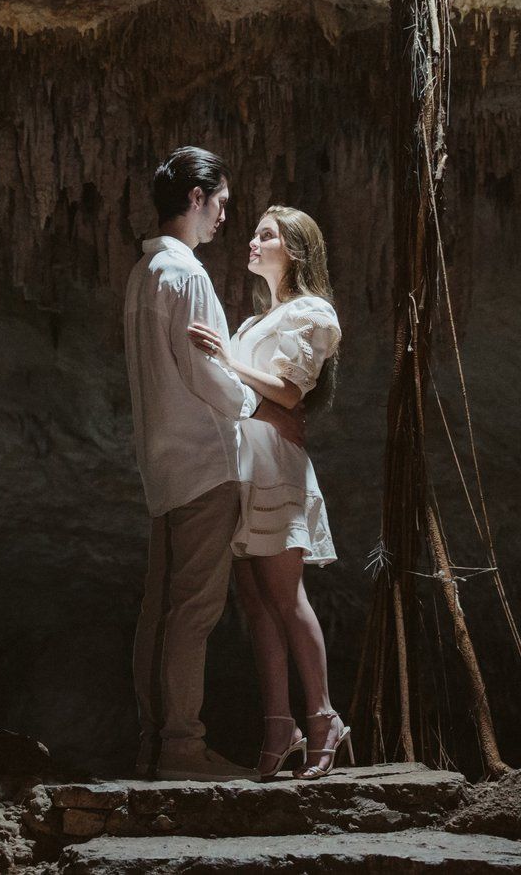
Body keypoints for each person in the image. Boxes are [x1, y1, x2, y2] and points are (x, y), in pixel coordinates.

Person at [123, 147, 302, 782]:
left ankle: (153, 741)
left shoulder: (144, 275)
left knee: (161, 608)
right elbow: (210, 375)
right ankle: (181, 747)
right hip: (202, 461)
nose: (226, 216)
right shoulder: (188, 275)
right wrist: (250, 394)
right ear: (196, 199)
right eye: (222, 203)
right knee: (195, 610)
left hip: (164, 464)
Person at [185, 206, 348, 780]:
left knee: (285, 597)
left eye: (267, 235)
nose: (251, 241)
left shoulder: (311, 313)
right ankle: (279, 724)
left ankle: (324, 717)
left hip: (275, 465)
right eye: (254, 232)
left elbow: (287, 393)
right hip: (241, 463)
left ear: (296, 250)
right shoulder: (256, 322)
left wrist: (225, 358)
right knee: (254, 605)